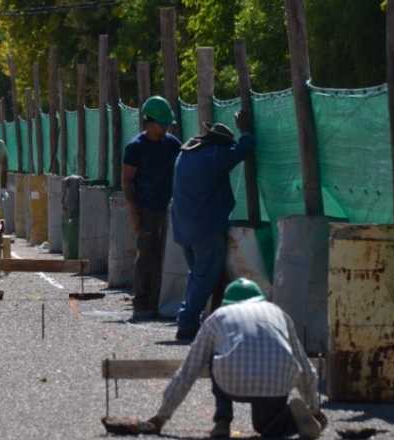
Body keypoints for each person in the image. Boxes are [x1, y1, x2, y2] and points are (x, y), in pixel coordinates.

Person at [143, 278, 325, 439]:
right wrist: (314, 407)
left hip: (231, 381)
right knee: (265, 427)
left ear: (227, 303)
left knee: (214, 356)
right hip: (277, 380)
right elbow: (304, 365)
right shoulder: (278, 313)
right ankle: (293, 421)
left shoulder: (218, 316)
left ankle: (223, 421)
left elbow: (189, 370)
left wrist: (162, 416)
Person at [171, 110, 255, 341]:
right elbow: (246, 147)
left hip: (182, 227)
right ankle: (186, 323)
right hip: (205, 228)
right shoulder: (216, 155)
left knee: (197, 276)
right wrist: (245, 129)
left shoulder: (186, 154)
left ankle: (197, 319)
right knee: (204, 277)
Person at [122, 96, 182, 320]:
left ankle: (161, 301)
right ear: (149, 122)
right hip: (146, 209)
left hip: (170, 208)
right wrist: (134, 214)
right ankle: (142, 301)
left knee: (167, 256)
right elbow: (127, 181)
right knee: (147, 255)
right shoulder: (135, 147)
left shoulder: (172, 144)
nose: (165, 128)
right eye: (162, 124)